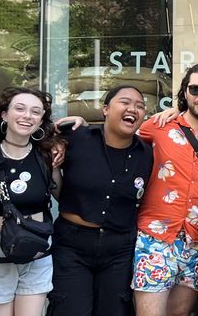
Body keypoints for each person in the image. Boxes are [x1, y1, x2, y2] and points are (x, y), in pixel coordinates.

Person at [133, 63, 198, 316]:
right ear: (185, 92)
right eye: (195, 88)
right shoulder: (158, 125)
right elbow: (117, 137)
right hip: (155, 237)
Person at [47, 85, 153, 316]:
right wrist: (55, 135)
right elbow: (35, 128)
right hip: (72, 245)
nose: (133, 109)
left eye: (140, 106)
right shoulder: (76, 138)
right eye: (125, 102)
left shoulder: (147, 154)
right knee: (70, 309)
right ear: (105, 109)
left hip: (119, 249)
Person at [0, 87, 63, 316]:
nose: (27, 116)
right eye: (20, 109)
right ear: (4, 114)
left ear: (41, 119)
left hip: (37, 248)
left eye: (35, 112)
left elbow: (62, 196)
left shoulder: (46, 156)